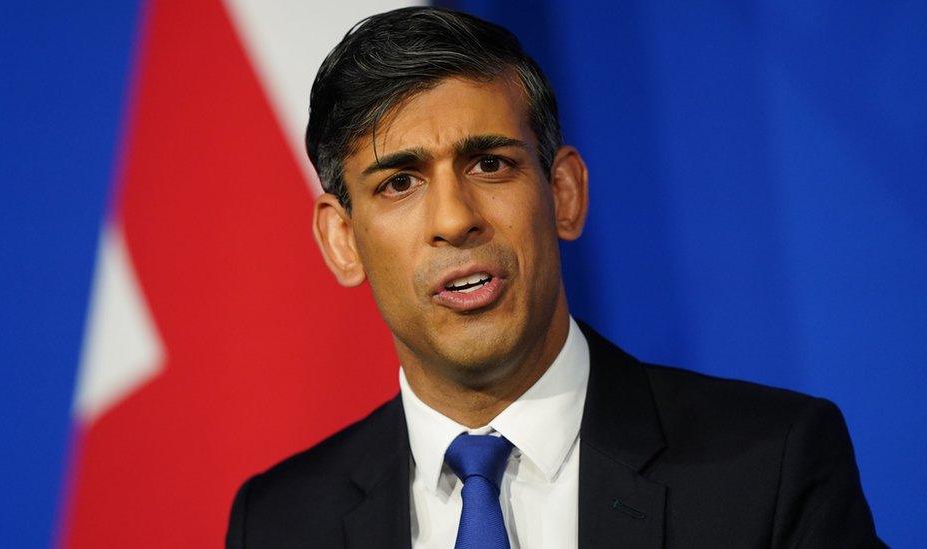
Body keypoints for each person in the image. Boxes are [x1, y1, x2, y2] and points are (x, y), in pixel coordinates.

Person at [226, 7, 880, 548]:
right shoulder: (281, 522)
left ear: (563, 192)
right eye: (400, 182)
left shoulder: (770, 468)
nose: (454, 219)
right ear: (343, 240)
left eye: (489, 164)